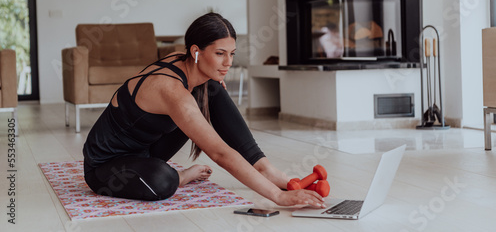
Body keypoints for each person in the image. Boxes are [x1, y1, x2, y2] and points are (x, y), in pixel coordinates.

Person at [82, 12, 325, 209]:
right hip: (106, 165)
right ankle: (183, 176)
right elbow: (220, 154)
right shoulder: (172, 91)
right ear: (196, 51)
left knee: (210, 88)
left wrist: (212, 76)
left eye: (231, 54)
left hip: (146, 149)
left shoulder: (186, 63)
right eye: (219, 54)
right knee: (163, 180)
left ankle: (267, 170)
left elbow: (206, 87)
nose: (228, 63)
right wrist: (277, 197)